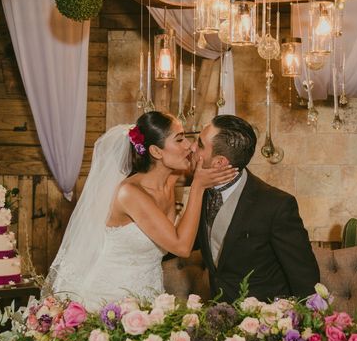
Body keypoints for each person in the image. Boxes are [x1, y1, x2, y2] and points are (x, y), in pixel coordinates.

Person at [49, 111, 237, 311]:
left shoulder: (169, 182)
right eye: (179, 139)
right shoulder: (129, 193)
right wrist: (198, 187)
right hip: (109, 298)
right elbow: (181, 246)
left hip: (148, 293)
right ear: (156, 152)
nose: (189, 146)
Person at [193, 114, 320, 304]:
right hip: (217, 316)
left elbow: (304, 277)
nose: (192, 147)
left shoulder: (277, 206)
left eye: (200, 144)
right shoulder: (200, 189)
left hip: (264, 323)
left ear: (220, 162)